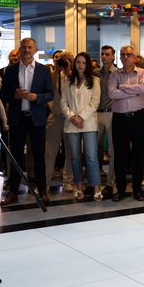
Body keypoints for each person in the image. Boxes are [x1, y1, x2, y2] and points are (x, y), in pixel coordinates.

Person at [0, 38, 54, 206]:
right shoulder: (10, 70)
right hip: (17, 119)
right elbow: (3, 95)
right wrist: (14, 96)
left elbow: (50, 94)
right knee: (15, 156)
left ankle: (42, 191)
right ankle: (13, 192)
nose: (26, 50)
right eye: (24, 47)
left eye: (30, 47)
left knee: (39, 156)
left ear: (35, 49)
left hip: (37, 119)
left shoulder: (43, 70)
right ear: (20, 49)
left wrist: (36, 97)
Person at [109, 45, 144, 202]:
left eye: (129, 55)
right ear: (120, 57)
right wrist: (133, 92)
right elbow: (112, 93)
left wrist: (123, 88)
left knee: (139, 155)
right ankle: (120, 190)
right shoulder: (114, 74)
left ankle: (137, 189)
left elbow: (143, 89)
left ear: (134, 57)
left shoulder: (143, 72)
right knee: (120, 155)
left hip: (138, 118)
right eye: (123, 55)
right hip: (119, 119)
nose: (126, 57)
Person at [60, 52, 102, 201]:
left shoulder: (95, 80)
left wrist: (81, 117)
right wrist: (72, 116)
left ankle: (96, 187)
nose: (80, 65)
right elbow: (63, 102)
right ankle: (78, 186)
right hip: (71, 124)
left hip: (88, 123)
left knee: (91, 157)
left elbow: (95, 102)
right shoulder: (68, 80)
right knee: (75, 157)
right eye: (78, 62)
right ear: (74, 64)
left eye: (84, 62)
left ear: (88, 64)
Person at [44, 51, 74, 192]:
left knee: (70, 152)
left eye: (67, 59)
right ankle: (45, 182)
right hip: (55, 117)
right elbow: (48, 92)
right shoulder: (53, 75)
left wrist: (69, 70)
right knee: (50, 152)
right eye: (62, 59)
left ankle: (68, 181)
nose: (64, 61)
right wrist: (52, 107)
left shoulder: (76, 76)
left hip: (70, 119)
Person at [93, 45, 118, 199]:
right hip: (96, 113)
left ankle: (110, 183)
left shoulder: (118, 73)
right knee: (94, 149)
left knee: (113, 150)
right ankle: (94, 182)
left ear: (113, 56)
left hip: (112, 113)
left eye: (107, 54)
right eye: (102, 54)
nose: (104, 57)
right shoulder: (95, 73)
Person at [0, 49, 19, 175]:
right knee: (5, 139)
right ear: (9, 57)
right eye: (13, 55)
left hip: (19, 110)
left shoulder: (22, 71)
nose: (15, 57)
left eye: (17, 55)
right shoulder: (1, 72)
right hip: (5, 109)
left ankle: (19, 171)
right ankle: (6, 168)